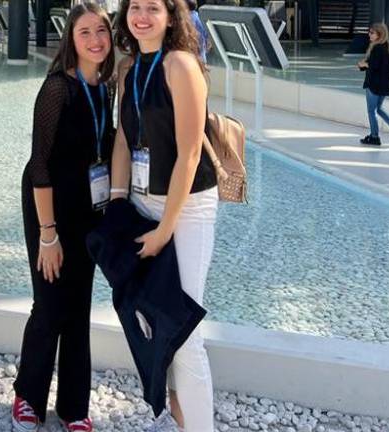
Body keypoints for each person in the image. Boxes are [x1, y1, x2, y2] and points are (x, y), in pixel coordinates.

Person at [110, 0, 218, 430]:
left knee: (183, 330)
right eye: (134, 7)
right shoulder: (128, 69)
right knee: (153, 317)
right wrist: (118, 204)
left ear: (171, 16)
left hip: (187, 207)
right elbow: (123, 139)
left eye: (152, 7)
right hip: (142, 201)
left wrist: (164, 230)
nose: (141, 16)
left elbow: (189, 154)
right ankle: (177, 410)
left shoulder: (181, 65)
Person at [12, 3, 115, 432]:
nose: (95, 40)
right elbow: (39, 164)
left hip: (88, 209)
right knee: (51, 303)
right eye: (84, 32)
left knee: (78, 306)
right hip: (49, 208)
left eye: (101, 31)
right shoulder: (57, 89)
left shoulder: (107, 87)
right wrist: (48, 235)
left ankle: (74, 407)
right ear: (71, 40)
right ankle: (27, 396)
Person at [358, 23, 389, 145]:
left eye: (372, 33)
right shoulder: (387, 48)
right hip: (383, 86)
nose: (369, 34)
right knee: (378, 109)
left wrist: (363, 64)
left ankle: (374, 137)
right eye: (369, 32)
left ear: (380, 35)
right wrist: (364, 65)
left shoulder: (377, 48)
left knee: (371, 111)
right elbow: (378, 66)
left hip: (374, 85)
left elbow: (373, 65)